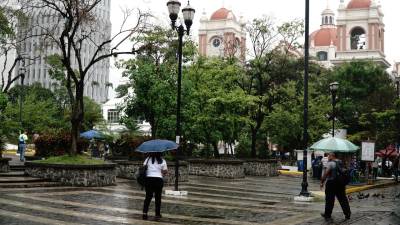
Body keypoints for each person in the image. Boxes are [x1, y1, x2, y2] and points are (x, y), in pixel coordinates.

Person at [320, 152, 351, 220]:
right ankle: (347, 213)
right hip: (340, 183)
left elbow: (326, 174)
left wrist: (322, 182)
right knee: (343, 199)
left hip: (331, 183)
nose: (328, 157)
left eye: (329, 156)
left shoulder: (331, 163)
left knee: (329, 199)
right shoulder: (341, 162)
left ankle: (327, 214)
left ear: (332, 156)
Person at [142, 152, 168, 221]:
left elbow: (143, 167)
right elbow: (165, 171)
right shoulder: (163, 160)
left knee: (148, 197)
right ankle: (157, 214)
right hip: (158, 180)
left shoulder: (148, 159)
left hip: (149, 179)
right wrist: (161, 172)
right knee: (158, 198)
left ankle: (145, 213)